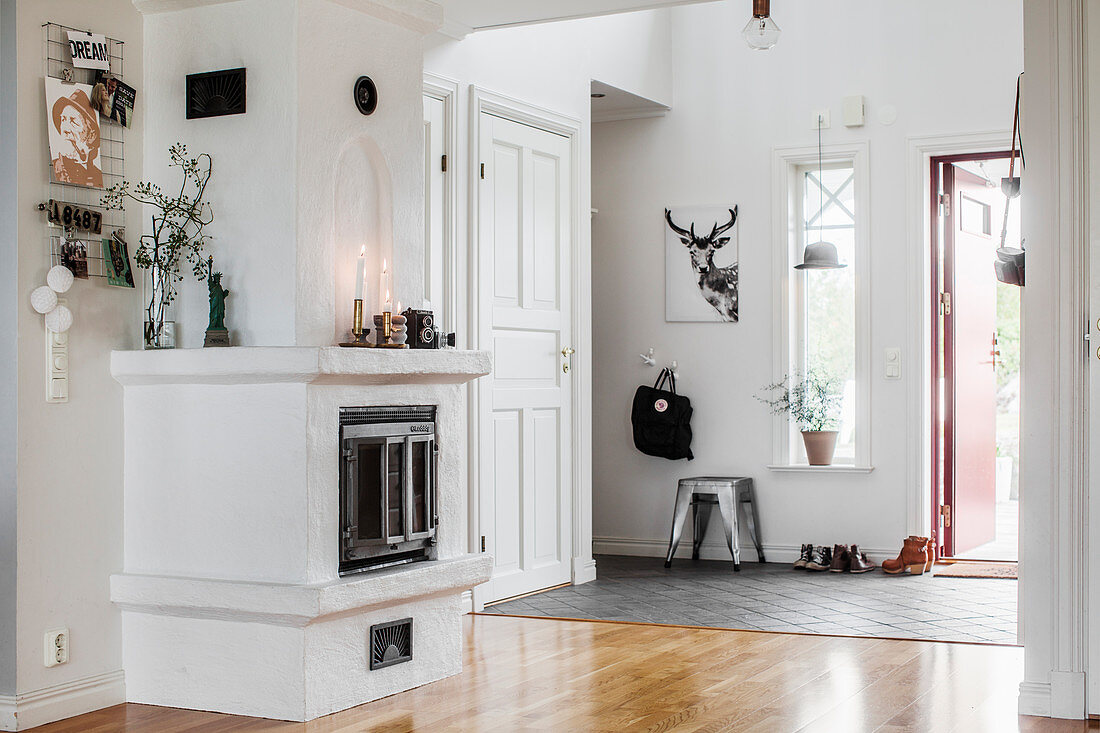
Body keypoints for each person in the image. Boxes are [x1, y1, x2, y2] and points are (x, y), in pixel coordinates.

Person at [51, 88, 103, 188]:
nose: (65, 128)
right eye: (63, 120)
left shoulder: (96, 175)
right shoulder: (55, 169)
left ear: (91, 135)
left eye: (73, 121)